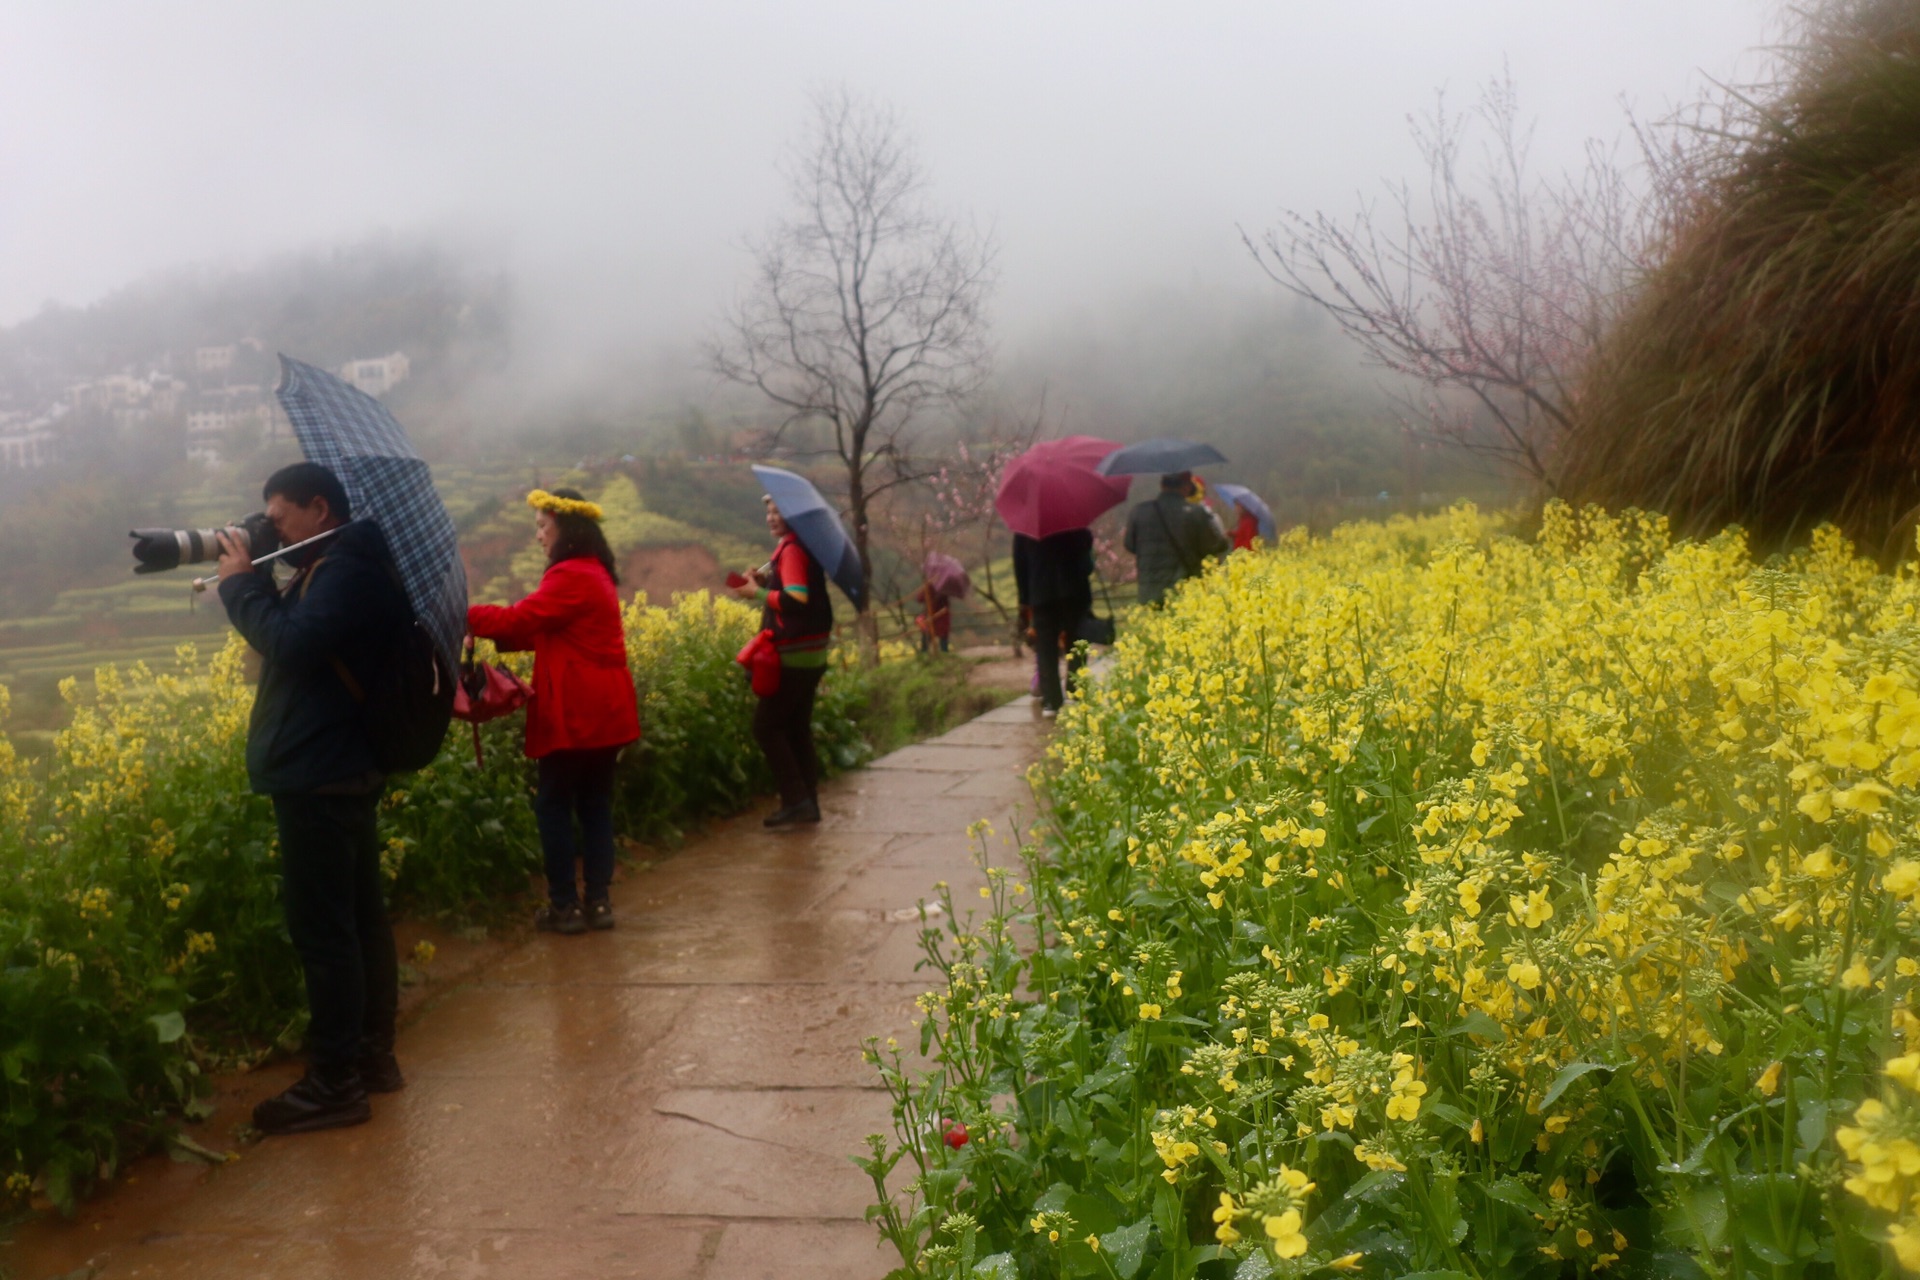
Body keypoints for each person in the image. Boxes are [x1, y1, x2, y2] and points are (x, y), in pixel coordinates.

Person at [215, 461, 412, 1135]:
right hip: (335, 765)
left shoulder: (348, 569)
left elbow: (292, 645)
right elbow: (309, 638)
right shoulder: (337, 563)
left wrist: (241, 587)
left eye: (278, 517)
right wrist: (266, 575)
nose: (270, 527)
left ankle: (334, 1083)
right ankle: (369, 1059)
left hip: (318, 771)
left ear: (319, 508)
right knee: (358, 922)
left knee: (326, 932)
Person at [467, 488, 640, 936]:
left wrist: (465, 616)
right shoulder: (594, 572)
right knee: (596, 803)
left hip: (579, 709)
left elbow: (523, 620)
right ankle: (598, 903)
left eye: (544, 526)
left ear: (568, 528)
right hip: (606, 706)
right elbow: (548, 629)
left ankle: (563, 905)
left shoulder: (571, 575)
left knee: (554, 803)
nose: (538, 535)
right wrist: (489, 628)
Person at [735, 495, 832, 826]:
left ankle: (796, 800)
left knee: (767, 726)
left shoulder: (791, 550)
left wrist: (756, 594)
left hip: (792, 657)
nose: (772, 517)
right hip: (812, 654)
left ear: (794, 516)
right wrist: (765, 581)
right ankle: (808, 803)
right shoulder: (801, 547)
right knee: (796, 728)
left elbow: (796, 598)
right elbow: (794, 586)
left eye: (779, 511)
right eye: (769, 511)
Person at [1012, 527, 1094, 716]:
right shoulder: (1075, 521)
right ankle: (1077, 692)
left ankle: (1051, 701)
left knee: (1046, 646)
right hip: (1075, 590)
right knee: (1077, 641)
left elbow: (1020, 566)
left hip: (1041, 594)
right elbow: (1088, 565)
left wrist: (1024, 599)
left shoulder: (1026, 528)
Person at [1124, 470, 1229, 606]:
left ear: (1162, 485)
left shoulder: (1138, 512)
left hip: (1149, 591)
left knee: (1157, 627)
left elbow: (1129, 545)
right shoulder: (1196, 513)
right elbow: (1216, 546)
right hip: (1183, 591)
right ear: (1186, 487)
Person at [915, 579, 952, 653]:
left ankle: (925, 656)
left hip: (938, 617)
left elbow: (920, 598)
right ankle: (943, 656)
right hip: (934, 617)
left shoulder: (936, 588)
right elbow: (920, 598)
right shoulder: (939, 587)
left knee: (939, 639)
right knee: (938, 639)